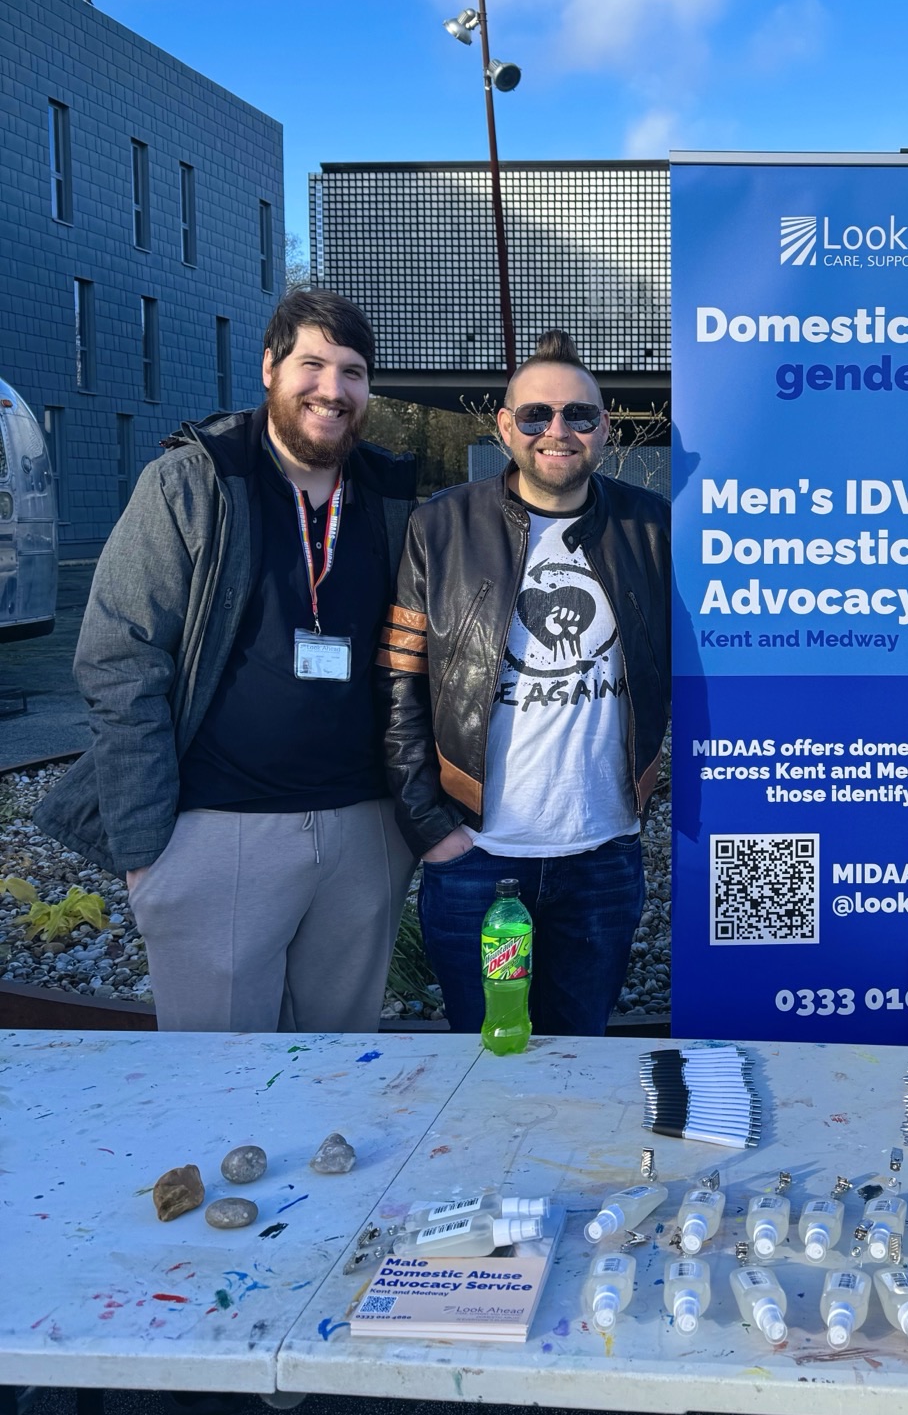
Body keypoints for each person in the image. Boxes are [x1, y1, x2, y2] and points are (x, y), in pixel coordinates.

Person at [37, 291, 417, 1033]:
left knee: (342, 1070)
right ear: (270, 366)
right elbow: (119, 658)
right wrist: (147, 849)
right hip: (219, 831)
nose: (332, 391)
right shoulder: (195, 482)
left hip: (365, 836)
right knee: (217, 1087)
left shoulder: (388, 494)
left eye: (353, 372)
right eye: (312, 365)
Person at [382, 328, 669, 1037]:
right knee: (488, 1055)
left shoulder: (650, 527)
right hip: (478, 860)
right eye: (536, 415)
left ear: (605, 428)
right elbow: (398, 689)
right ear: (506, 426)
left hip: (602, 858)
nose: (558, 431)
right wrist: (431, 827)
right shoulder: (441, 527)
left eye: (579, 415)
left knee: (579, 1055)